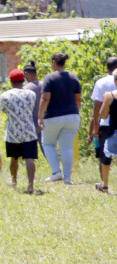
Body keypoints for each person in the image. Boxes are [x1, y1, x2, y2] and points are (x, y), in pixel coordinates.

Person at [37, 52, 82, 185]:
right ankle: (67, 178)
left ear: (54, 63)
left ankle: (56, 172)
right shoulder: (74, 78)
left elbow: (45, 98)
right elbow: (78, 99)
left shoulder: (49, 78)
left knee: (48, 144)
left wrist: (40, 116)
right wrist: (74, 112)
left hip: (53, 116)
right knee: (67, 147)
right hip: (72, 115)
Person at [0, 69, 39, 194]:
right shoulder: (31, 94)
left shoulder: (5, 96)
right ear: (23, 80)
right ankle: (31, 184)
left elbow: (3, 110)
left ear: (11, 82)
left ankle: (14, 180)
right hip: (29, 131)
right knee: (29, 158)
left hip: (13, 132)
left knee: (14, 158)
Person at [89, 57, 117, 193]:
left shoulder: (101, 82)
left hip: (107, 125)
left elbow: (97, 107)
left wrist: (95, 126)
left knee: (105, 156)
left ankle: (104, 184)